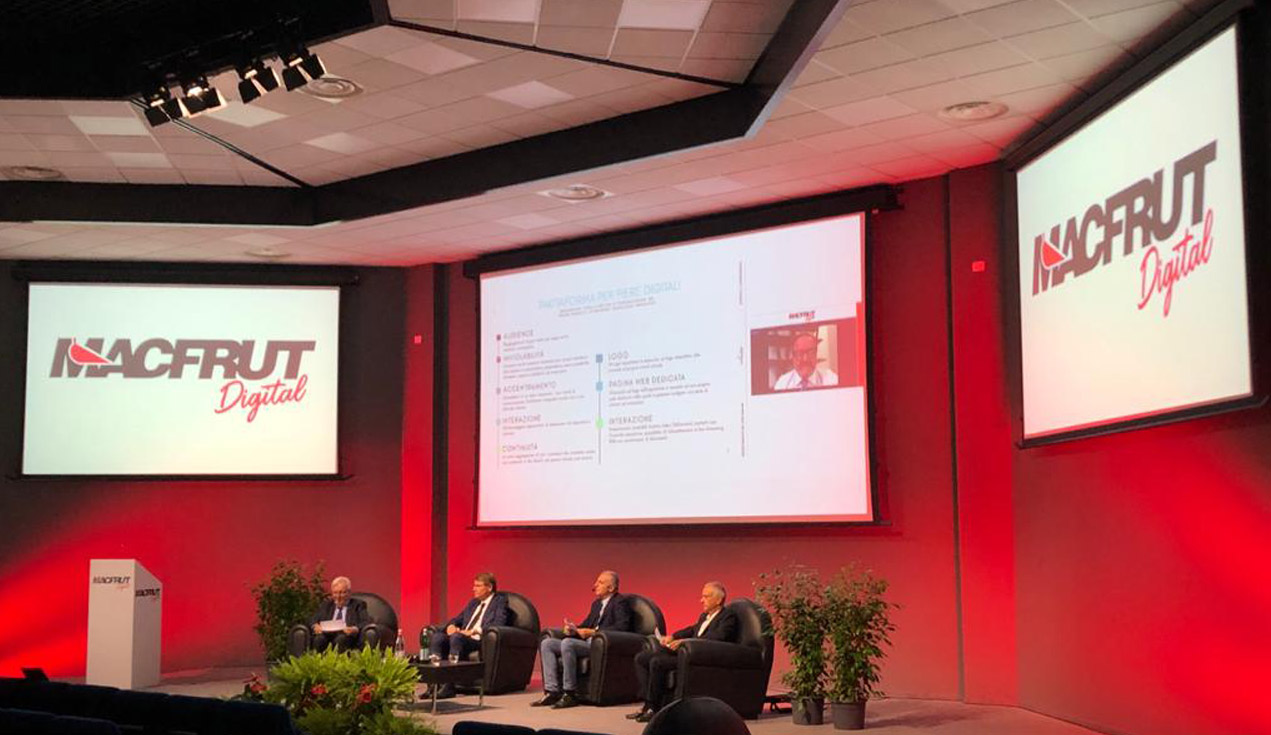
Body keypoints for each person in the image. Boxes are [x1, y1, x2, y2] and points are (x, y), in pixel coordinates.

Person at [628, 581, 739, 723]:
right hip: (687, 653)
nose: (701, 600)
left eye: (706, 597)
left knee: (657, 662)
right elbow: (692, 629)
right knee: (642, 658)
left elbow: (719, 636)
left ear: (718, 600)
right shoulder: (704, 616)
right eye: (702, 596)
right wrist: (673, 637)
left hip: (699, 658)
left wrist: (686, 642)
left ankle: (654, 708)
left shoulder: (728, 616)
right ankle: (647, 704)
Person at [532, 570, 632, 709]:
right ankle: (552, 691)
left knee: (568, 643)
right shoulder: (597, 604)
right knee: (547, 643)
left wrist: (594, 632)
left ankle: (570, 693)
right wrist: (573, 629)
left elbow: (622, 627)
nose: (595, 585)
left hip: (601, 646)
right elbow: (586, 625)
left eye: (600, 582)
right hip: (586, 643)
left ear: (611, 588)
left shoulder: (620, 602)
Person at [427, 572, 508, 698]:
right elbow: (458, 619)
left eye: (478, 586)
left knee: (457, 637)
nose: (473, 589)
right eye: (474, 585)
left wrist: (474, 631)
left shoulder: (499, 602)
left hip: (479, 640)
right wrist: (451, 625)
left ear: (489, 587)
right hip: (462, 637)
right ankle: (434, 685)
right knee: (438, 637)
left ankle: (449, 686)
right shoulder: (473, 603)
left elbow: (499, 623)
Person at [308, 576, 370, 652]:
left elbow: (366, 621)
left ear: (349, 593)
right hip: (327, 634)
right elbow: (312, 619)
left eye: (342, 593)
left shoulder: (358, 605)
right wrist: (315, 626)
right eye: (335, 593)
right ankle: (318, 659)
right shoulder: (326, 604)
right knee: (319, 639)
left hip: (346, 635)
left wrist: (355, 629)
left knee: (340, 639)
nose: (338, 596)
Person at [773, 331, 838, 390]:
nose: (805, 359)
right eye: (800, 353)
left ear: (816, 355)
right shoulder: (782, 384)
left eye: (810, 353)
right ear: (793, 358)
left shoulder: (831, 379)